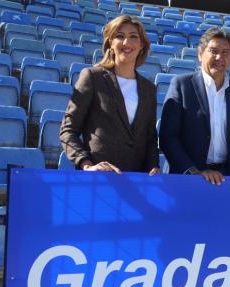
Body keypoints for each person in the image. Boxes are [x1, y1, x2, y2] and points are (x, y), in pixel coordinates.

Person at [60, 15, 159, 175]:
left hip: (138, 182)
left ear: (141, 45)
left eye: (133, 36)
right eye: (120, 36)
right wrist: (86, 164)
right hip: (101, 180)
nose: (126, 42)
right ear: (110, 43)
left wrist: (153, 166)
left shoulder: (149, 89)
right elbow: (68, 130)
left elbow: (150, 138)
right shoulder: (92, 77)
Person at [160, 27, 230, 185]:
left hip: (227, 178)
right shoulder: (181, 85)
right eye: (213, 51)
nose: (219, 57)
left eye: (225, 52)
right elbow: (168, 137)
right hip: (189, 178)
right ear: (200, 54)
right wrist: (192, 171)